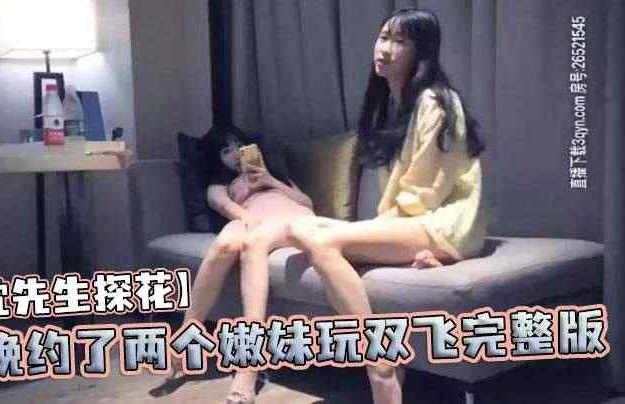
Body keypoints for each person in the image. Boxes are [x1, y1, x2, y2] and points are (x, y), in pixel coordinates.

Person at [286, 8, 487, 404]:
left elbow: (422, 196)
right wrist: (374, 233)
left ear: (421, 52)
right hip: (417, 221)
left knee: (321, 241)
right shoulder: (397, 105)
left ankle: (380, 367)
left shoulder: (436, 101)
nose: (385, 49)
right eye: (383, 37)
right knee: (298, 229)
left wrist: (368, 232)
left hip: (443, 223)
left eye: (400, 41)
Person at [169, 129, 315, 404]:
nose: (236, 154)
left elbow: (307, 203)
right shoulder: (219, 185)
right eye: (226, 151)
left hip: (291, 219)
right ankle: (188, 331)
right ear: (216, 159)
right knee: (225, 244)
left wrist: (270, 180)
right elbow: (227, 208)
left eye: (239, 145)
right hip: (251, 219)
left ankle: (249, 364)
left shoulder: (276, 176)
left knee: (251, 243)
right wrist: (250, 216)